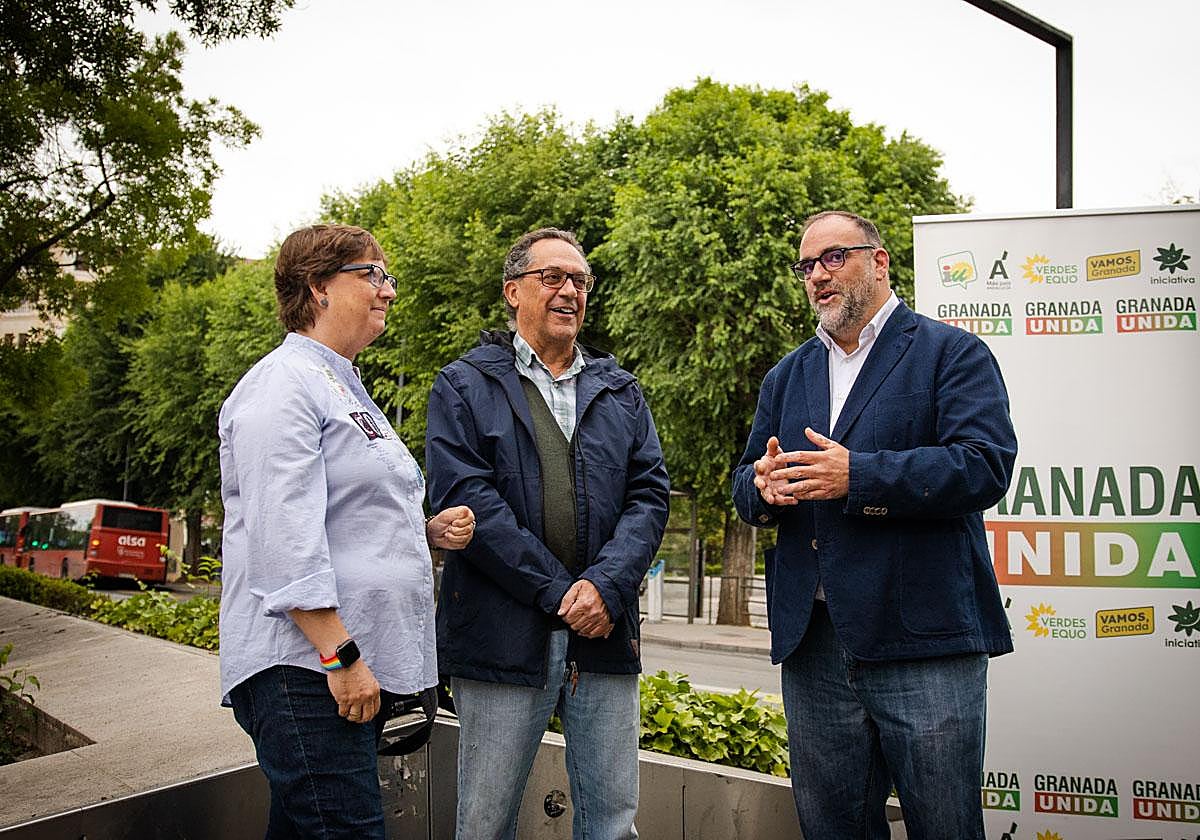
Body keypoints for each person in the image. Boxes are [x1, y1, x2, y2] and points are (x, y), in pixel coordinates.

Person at [732, 210, 1017, 840]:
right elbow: (746, 477)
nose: (817, 276)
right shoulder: (789, 373)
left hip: (923, 640)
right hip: (816, 647)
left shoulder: (952, 353)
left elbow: (984, 465)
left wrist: (857, 477)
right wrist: (762, 486)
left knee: (945, 827)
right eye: (807, 266)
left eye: (833, 258)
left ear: (879, 261)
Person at [218, 223, 475, 839]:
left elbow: (342, 511)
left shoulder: (341, 383)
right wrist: (342, 654)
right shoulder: (282, 386)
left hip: (329, 671)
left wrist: (422, 530)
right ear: (318, 286)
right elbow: (282, 538)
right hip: (306, 672)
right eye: (373, 275)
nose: (388, 291)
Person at [425, 228, 670, 840]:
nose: (570, 291)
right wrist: (562, 593)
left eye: (580, 281)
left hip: (604, 637)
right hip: (502, 640)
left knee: (613, 823)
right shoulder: (463, 385)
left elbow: (649, 496)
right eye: (552, 277)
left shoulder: (621, 391)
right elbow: (466, 499)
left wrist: (606, 589)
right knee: (484, 824)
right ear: (513, 292)